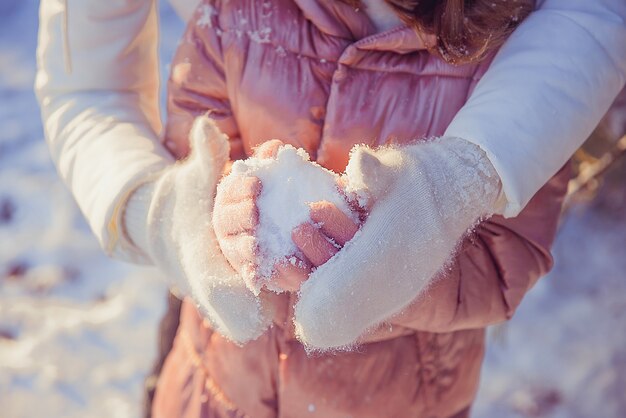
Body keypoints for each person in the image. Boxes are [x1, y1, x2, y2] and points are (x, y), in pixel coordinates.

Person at [35, 0, 626, 417]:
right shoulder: (235, 21)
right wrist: (202, 218)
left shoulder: (502, 55)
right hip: (215, 388)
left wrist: (407, 264)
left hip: (400, 399)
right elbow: (159, 127)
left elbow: (506, 258)